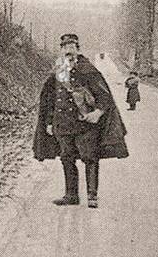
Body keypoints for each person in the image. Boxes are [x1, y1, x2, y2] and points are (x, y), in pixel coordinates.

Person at [34, 33, 129, 208]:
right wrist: (48, 122)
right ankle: (71, 195)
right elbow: (49, 99)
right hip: (62, 124)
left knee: (90, 158)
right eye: (65, 48)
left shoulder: (88, 70)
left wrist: (98, 113)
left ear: (78, 49)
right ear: (61, 50)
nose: (68, 51)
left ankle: (92, 196)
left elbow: (104, 96)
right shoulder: (58, 71)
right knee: (66, 158)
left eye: (71, 47)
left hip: (85, 124)